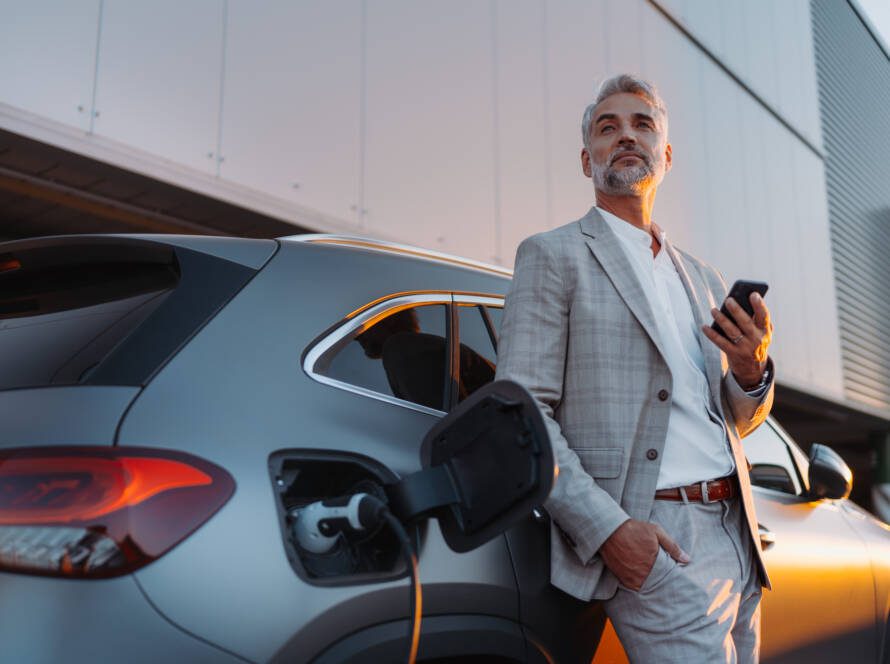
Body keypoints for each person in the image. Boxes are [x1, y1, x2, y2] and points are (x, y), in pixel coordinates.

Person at [495, 74, 775, 663]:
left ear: (665, 155)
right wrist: (609, 531)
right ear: (586, 159)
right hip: (659, 539)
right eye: (607, 127)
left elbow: (729, 419)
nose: (625, 136)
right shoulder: (552, 255)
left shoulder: (702, 278)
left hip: (738, 531)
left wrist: (751, 370)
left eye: (641, 124)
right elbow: (520, 413)